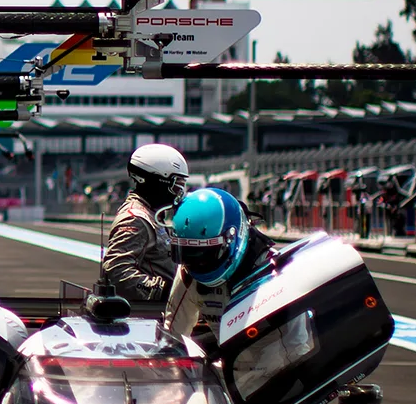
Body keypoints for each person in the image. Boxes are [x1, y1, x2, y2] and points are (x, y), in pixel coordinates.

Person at [161, 188, 280, 341]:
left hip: (279, 362)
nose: (197, 262)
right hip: (228, 359)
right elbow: (173, 337)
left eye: (205, 254)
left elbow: (296, 345)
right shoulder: (187, 271)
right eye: (187, 253)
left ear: (232, 239)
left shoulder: (271, 269)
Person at [98, 141, 189, 309]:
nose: (180, 192)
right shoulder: (136, 218)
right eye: (176, 184)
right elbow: (117, 269)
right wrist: (163, 291)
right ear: (157, 181)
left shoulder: (152, 214)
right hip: (149, 316)